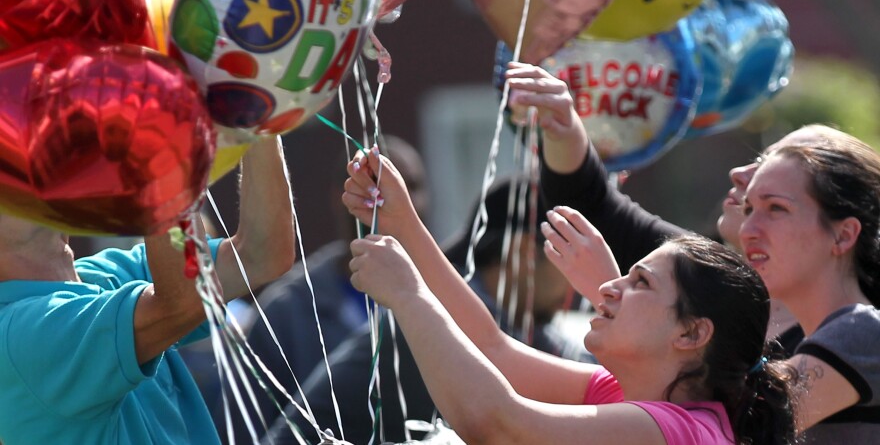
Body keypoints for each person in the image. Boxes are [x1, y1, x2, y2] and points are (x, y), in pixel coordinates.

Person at [340, 149, 797, 445]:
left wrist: (409, 296)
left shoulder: (675, 429)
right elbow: (493, 347)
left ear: (692, 333)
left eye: (639, 282)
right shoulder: (632, 395)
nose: (609, 287)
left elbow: (497, 425)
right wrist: (403, 223)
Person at [503, 61, 852, 350]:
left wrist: (612, 294)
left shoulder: (850, 336)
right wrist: (563, 126)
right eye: (759, 159)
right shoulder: (695, 268)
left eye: (775, 180)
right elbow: (590, 206)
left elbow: (736, 419)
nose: (741, 174)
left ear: (844, 234)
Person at [0, 136, 296, 445]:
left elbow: (263, 255)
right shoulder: (18, 337)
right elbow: (184, 301)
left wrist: (262, 116)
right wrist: (162, 158)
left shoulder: (101, 278)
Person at [261, 176, 589, 445]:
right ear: (523, 255)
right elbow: (501, 404)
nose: (575, 287)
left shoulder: (496, 320)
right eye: (568, 259)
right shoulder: (442, 320)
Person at [211, 135, 429, 443]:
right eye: (371, 185)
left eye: (411, 187)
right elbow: (239, 429)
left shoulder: (447, 301)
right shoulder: (286, 312)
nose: (389, 200)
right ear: (339, 195)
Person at [740, 139, 880, 442]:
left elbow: (731, 428)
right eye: (748, 208)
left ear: (843, 236)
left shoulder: (864, 332)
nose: (748, 229)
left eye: (776, 208)